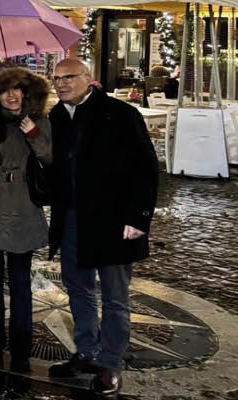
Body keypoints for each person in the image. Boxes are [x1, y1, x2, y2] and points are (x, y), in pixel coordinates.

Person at [46, 58, 158, 396]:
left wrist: (139, 219)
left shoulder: (120, 114)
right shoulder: (57, 117)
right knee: (78, 287)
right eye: (56, 79)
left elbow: (146, 169)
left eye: (69, 77)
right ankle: (86, 352)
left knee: (114, 297)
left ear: (89, 79)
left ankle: (110, 364)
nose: (62, 84)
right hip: (72, 219)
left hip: (113, 221)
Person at [0, 67, 52, 373]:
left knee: (19, 281)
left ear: (27, 93)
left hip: (22, 207)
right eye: (5, 90)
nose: (12, 95)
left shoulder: (39, 119)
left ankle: (20, 348)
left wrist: (32, 133)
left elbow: (48, 156)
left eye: (17, 89)